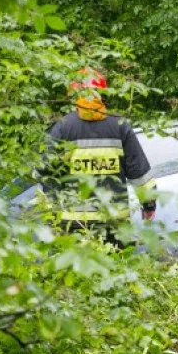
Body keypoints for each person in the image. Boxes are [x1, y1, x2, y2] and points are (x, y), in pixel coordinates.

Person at [42, 68, 152, 242]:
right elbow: (140, 173)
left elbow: (46, 172)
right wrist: (149, 205)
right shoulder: (119, 125)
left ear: (74, 95)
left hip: (74, 225)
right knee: (115, 267)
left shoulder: (62, 127)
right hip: (115, 223)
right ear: (102, 94)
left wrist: (50, 215)